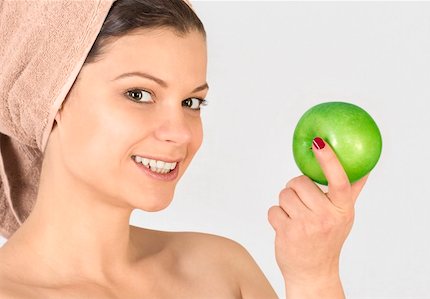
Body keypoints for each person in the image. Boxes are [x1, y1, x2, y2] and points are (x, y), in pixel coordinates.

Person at [0, 0, 369, 298]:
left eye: (192, 102)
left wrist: (313, 278)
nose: (179, 133)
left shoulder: (221, 271)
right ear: (50, 98)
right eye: (139, 94)